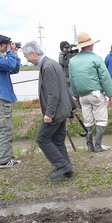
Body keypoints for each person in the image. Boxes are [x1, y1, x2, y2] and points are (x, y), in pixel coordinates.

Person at [22, 41, 76, 179]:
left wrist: (49, 114)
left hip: (56, 111)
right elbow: (62, 88)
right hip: (63, 109)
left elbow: (53, 94)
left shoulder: (47, 67)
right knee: (58, 140)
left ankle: (62, 165)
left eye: (26, 56)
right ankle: (67, 169)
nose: (27, 60)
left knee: (42, 139)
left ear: (34, 53)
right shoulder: (53, 63)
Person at [69, 32, 112, 152]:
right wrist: (110, 94)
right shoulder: (96, 58)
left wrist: (76, 95)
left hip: (83, 96)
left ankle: (89, 146)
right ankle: (98, 146)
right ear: (90, 46)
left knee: (87, 119)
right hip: (96, 94)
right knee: (101, 119)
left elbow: (72, 80)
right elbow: (105, 77)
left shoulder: (72, 61)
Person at [0, 34, 21, 168]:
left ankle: (4, 155)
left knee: (3, 127)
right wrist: (9, 52)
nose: (8, 47)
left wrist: (15, 53)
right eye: (6, 45)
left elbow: (14, 69)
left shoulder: (2, 58)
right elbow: (10, 64)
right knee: (4, 129)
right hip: (0, 98)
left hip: (3, 97)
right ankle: (3, 160)